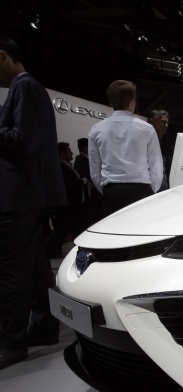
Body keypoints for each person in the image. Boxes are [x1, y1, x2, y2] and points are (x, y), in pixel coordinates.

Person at [0, 36, 67, 370]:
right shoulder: (27, 88)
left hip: (18, 194)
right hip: (26, 193)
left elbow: (23, 142)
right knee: (37, 265)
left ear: (3, 57)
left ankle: (11, 342)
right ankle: (44, 326)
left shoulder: (24, 87)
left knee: (12, 269)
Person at [88, 80, 164, 217]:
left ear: (110, 103)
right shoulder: (146, 129)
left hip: (112, 192)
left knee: (115, 235)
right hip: (142, 190)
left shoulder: (96, 130)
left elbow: (94, 172)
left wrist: (106, 190)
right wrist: (151, 190)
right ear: (132, 101)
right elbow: (156, 166)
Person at [46, 142, 87, 258]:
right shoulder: (59, 168)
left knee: (67, 231)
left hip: (74, 207)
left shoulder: (67, 166)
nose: (72, 152)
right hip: (66, 208)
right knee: (62, 231)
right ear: (62, 153)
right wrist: (82, 181)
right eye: (69, 150)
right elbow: (68, 184)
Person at [73, 137, 102, 227]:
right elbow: (86, 179)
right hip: (91, 196)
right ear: (85, 147)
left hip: (94, 194)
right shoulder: (80, 161)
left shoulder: (86, 160)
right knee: (93, 219)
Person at [147, 109, 171, 190]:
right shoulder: (144, 142)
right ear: (151, 121)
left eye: (167, 123)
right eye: (163, 122)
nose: (166, 125)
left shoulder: (161, 142)